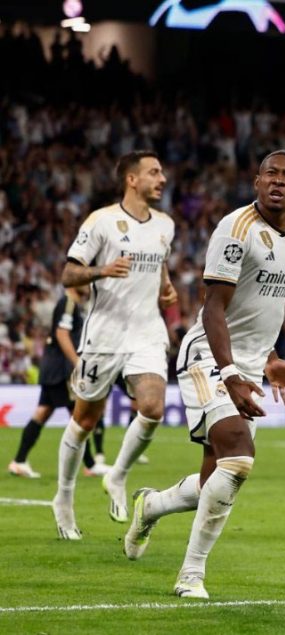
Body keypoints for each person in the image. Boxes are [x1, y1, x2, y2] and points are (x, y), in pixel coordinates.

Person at [122, 150, 285, 600]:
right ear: (256, 182)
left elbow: (264, 309)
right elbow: (213, 308)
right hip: (208, 356)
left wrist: (270, 359)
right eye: (269, 174)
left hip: (249, 365)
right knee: (239, 458)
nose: (277, 181)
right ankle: (191, 575)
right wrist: (230, 373)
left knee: (214, 480)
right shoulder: (235, 228)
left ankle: (152, 505)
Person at [52, 150, 178, 539]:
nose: (162, 178)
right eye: (154, 172)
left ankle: (118, 475)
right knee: (84, 421)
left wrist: (166, 286)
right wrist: (102, 270)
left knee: (153, 408)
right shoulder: (102, 221)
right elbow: (68, 274)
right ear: (131, 179)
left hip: (147, 333)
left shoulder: (166, 225)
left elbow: (159, 262)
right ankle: (64, 498)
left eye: (161, 172)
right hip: (105, 336)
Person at [8, 285, 109, 478]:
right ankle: (90, 465)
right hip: (61, 370)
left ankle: (19, 461)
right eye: (85, 280)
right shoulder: (68, 303)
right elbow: (61, 334)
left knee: (43, 412)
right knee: (79, 416)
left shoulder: (70, 304)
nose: (88, 285)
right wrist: (77, 362)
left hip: (52, 367)